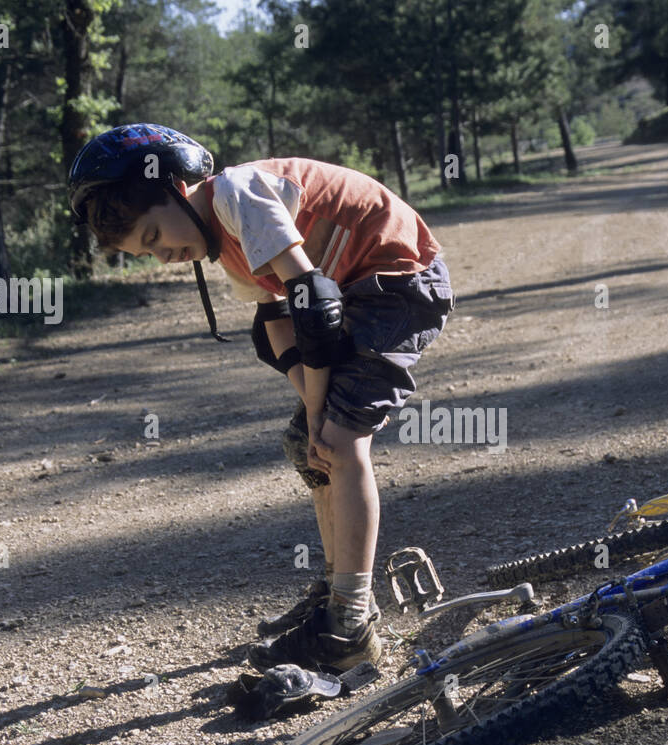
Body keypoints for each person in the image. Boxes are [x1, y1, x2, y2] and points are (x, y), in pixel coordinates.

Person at [68, 123, 452, 674]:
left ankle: (350, 625)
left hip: (400, 283)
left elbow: (312, 303)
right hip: (353, 295)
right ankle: (335, 589)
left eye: (153, 237)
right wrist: (312, 412)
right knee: (309, 444)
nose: (163, 257)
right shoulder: (226, 246)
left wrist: (324, 413)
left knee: (340, 443)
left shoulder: (236, 194)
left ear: (177, 187)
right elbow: (278, 322)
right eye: (145, 254)